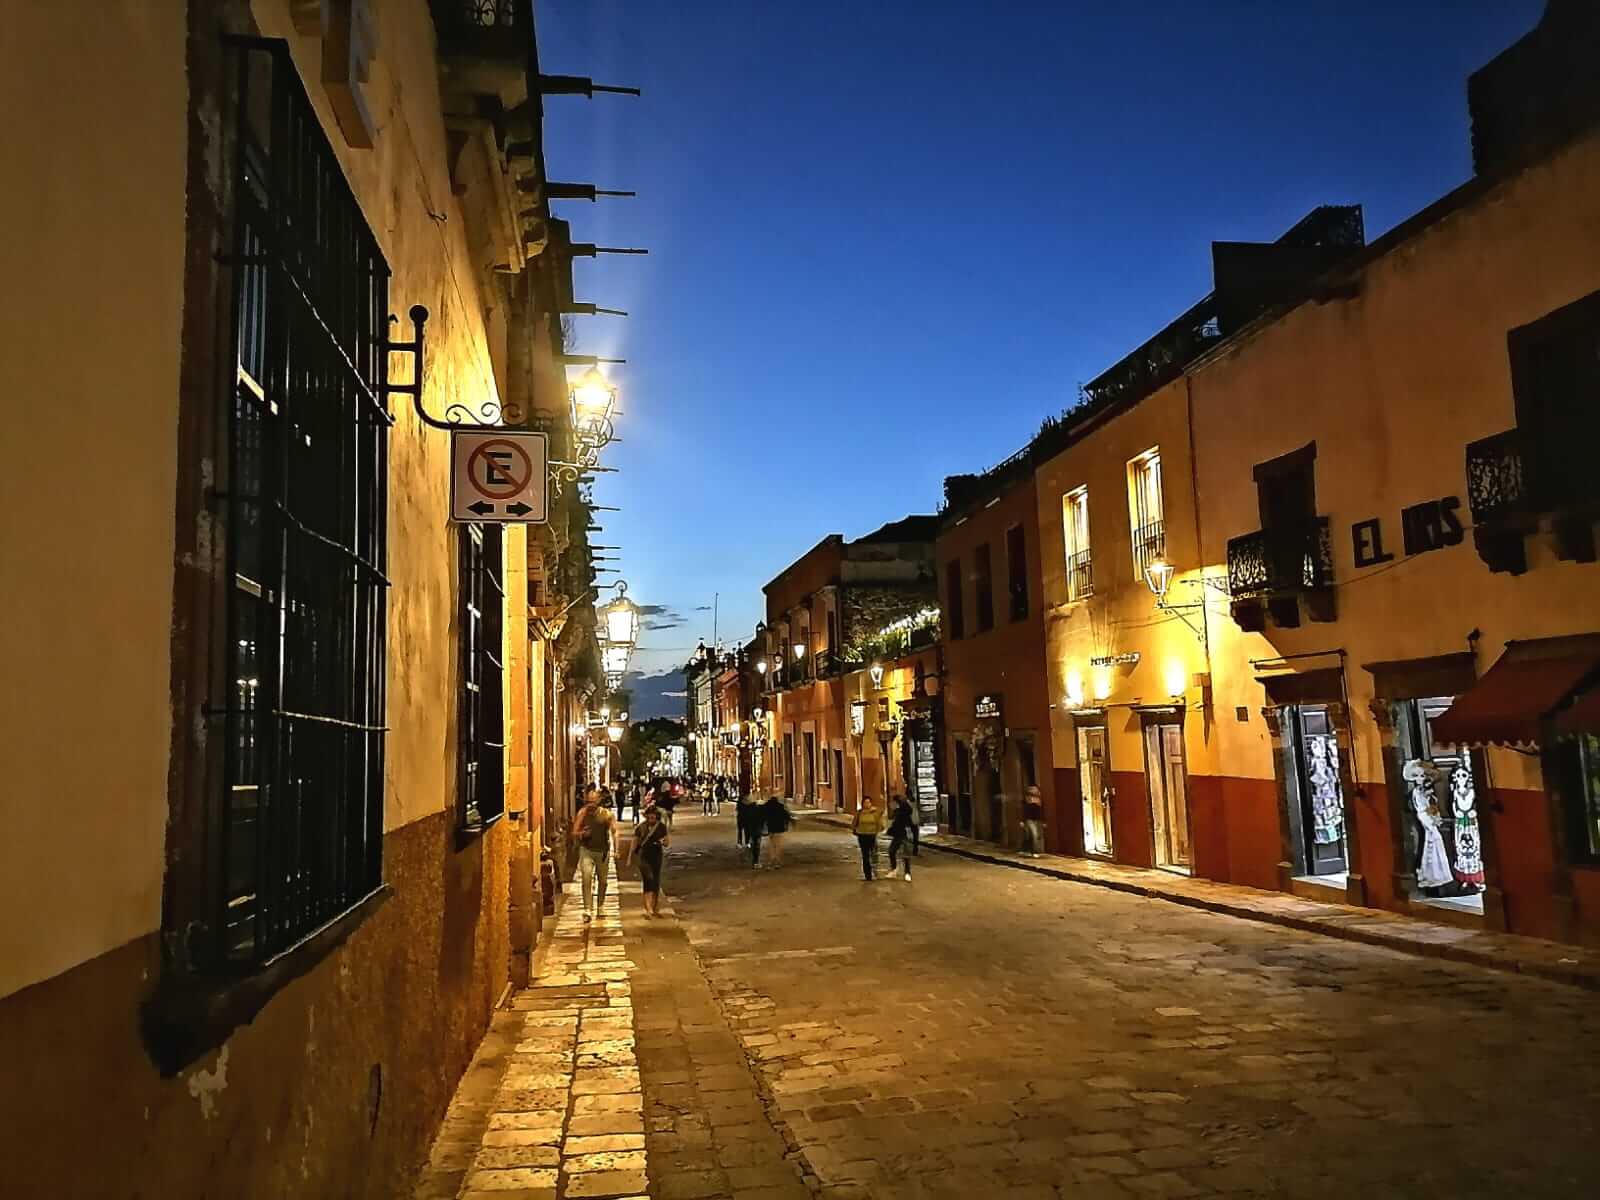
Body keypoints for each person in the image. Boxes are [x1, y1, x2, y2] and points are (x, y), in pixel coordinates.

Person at [571, 787, 615, 922]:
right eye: (588, 801)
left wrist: (616, 848)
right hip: (586, 850)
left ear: (599, 801)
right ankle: (587, 909)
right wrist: (582, 834)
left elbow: (614, 831)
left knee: (603, 880)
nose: (590, 804)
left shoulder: (606, 814)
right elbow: (574, 832)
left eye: (593, 801)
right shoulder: (582, 813)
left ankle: (600, 905)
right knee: (586, 877)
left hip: (602, 851)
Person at [629, 804, 671, 918]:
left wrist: (663, 842)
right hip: (644, 856)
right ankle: (648, 908)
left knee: (656, 881)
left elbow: (667, 843)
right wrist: (630, 857)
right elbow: (634, 842)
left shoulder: (661, 827)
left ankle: (654, 906)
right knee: (648, 879)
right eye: (649, 816)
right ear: (646, 816)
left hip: (656, 855)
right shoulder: (640, 827)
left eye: (654, 817)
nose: (652, 818)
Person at [852, 798, 884, 881]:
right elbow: (854, 823)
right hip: (862, 835)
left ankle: (875, 871)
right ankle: (867, 874)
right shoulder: (859, 813)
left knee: (873, 854)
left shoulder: (875, 812)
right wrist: (855, 830)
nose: (867, 804)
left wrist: (877, 831)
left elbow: (880, 824)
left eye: (868, 802)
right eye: (865, 802)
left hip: (872, 835)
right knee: (865, 855)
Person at [887, 794, 916, 881]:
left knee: (904, 854)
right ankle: (897, 870)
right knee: (893, 851)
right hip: (899, 834)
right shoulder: (899, 810)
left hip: (904, 834)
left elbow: (901, 822)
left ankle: (906, 872)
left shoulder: (903, 811)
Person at [762, 793, 792, 867]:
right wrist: (788, 824)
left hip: (771, 828)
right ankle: (777, 861)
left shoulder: (767, 806)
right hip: (779, 828)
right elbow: (786, 816)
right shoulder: (780, 806)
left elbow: (763, 816)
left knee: (771, 844)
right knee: (778, 844)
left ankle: (772, 859)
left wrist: (762, 826)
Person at [1021, 785, 1045, 858]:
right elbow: (1024, 811)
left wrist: (1043, 821)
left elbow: (1041, 811)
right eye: (1032, 789)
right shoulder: (1027, 799)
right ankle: (1035, 851)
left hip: (1037, 820)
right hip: (1029, 820)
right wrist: (1022, 820)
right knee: (1034, 835)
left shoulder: (1039, 799)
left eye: (1035, 789)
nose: (1034, 791)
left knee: (1035, 836)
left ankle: (1025, 849)